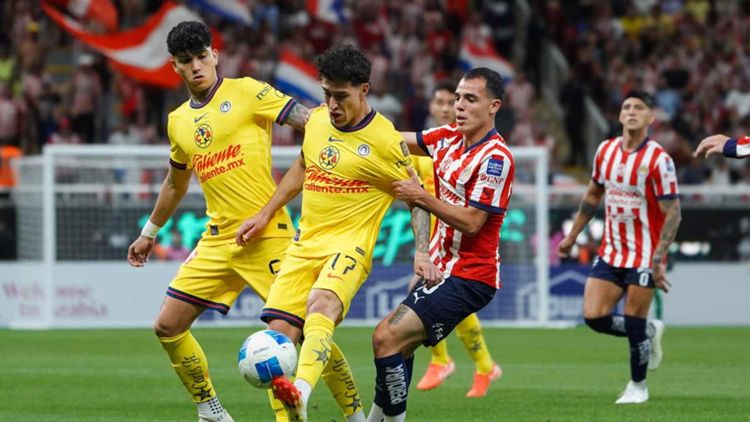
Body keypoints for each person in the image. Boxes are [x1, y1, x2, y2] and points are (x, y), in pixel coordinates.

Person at [126, 22, 360, 422]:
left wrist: (353, 137)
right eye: (186, 60)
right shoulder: (178, 121)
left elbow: (311, 121)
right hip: (218, 240)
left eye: (202, 56)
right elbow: (175, 183)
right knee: (167, 325)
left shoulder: (248, 92)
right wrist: (150, 232)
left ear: (215, 55)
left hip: (268, 236)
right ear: (175, 66)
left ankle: (354, 414)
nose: (196, 66)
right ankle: (210, 411)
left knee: (300, 332)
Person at [235, 45, 440, 422]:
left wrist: (422, 252)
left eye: (341, 96)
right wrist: (265, 214)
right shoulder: (316, 121)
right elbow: (303, 165)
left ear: (364, 89)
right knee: (277, 341)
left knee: (321, 304)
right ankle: (343, 417)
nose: (331, 104)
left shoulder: (385, 140)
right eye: (327, 93)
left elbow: (417, 198)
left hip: (349, 248)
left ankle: (302, 392)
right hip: (304, 246)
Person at [366, 67, 515, 421]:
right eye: (458, 98)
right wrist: (354, 122)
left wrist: (420, 195)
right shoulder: (447, 136)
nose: (458, 106)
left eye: (470, 99)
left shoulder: (496, 158)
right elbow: (393, 139)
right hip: (440, 267)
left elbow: (473, 222)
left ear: (493, 106)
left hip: (470, 276)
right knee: (397, 346)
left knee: (385, 337)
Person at [557, 91, 682, 404]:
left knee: (633, 318)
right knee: (594, 316)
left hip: (645, 253)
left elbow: (673, 213)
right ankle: (649, 331)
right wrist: (572, 236)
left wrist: (658, 258)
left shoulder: (659, 160)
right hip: (611, 250)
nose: (632, 111)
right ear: (620, 116)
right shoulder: (606, 151)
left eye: (639, 107)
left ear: (651, 117)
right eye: (627, 107)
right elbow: (592, 195)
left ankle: (638, 387)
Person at [410, 79, 502, 397]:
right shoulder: (427, 148)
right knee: (429, 299)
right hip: (434, 238)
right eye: (442, 102)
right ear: (431, 107)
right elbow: (413, 199)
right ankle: (476, 364)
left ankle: (453, 362)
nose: (449, 108)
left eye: (456, 101)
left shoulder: (481, 152)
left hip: (462, 240)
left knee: (428, 300)